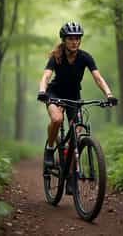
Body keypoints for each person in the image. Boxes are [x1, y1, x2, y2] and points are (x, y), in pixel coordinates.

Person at [38, 21, 117, 194]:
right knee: (57, 119)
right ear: (64, 40)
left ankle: (72, 177)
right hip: (54, 94)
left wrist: (109, 95)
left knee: (77, 134)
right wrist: (42, 91)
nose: (74, 41)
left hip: (74, 97)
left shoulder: (85, 57)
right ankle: (50, 149)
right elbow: (46, 76)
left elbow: (98, 78)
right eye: (70, 39)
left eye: (77, 38)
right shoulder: (56, 57)